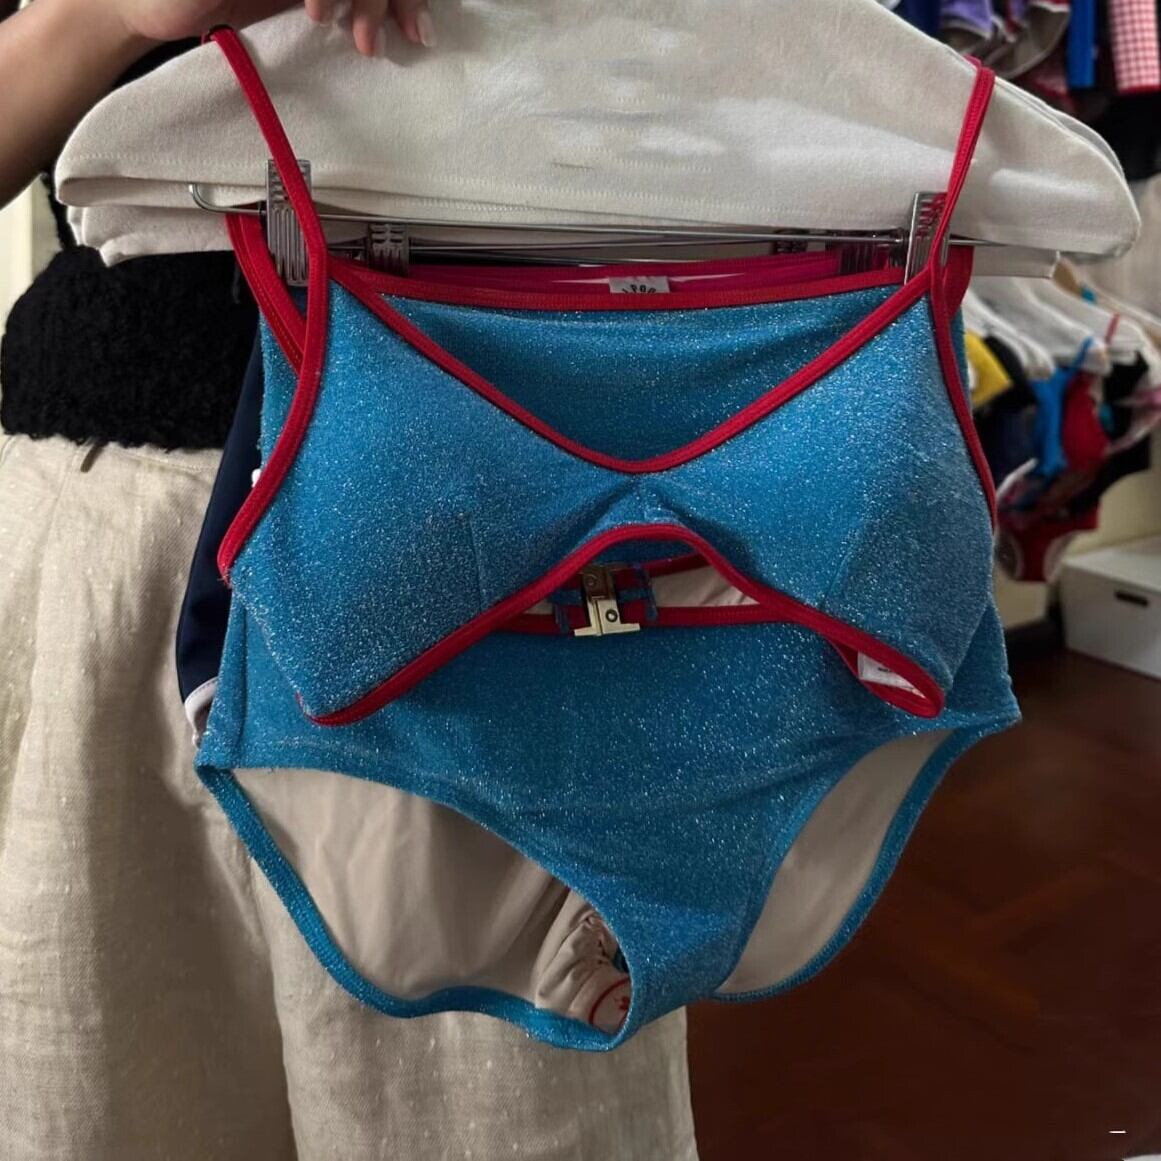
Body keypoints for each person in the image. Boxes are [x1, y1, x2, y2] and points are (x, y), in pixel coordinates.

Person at [0, 3, 699, 1158]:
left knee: (502, 1106)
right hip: (104, 553)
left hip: (490, 547)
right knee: (112, 1085)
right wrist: (115, 12)